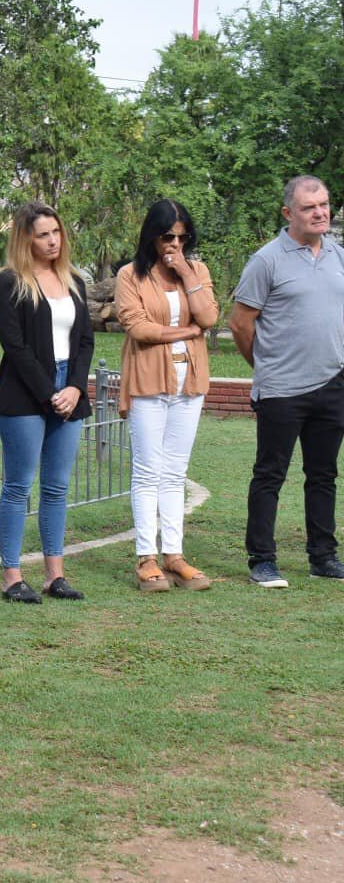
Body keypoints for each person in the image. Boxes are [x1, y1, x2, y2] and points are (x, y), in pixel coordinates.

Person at [230, 175, 344, 588]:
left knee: (323, 474)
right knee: (270, 475)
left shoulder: (337, 255)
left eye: (324, 204)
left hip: (332, 385)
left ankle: (322, 557)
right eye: (309, 207)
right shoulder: (267, 260)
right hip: (281, 389)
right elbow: (241, 324)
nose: (320, 212)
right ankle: (262, 559)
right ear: (287, 213)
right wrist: (266, 367)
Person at [0, 201, 94, 605]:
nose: (52, 241)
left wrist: (74, 389)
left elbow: (85, 341)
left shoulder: (74, 280)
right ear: (25, 238)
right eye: (42, 234)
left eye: (56, 232)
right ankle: (12, 576)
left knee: (57, 487)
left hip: (69, 390)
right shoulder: (9, 282)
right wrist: (49, 393)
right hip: (25, 394)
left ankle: (55, 575)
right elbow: (14, 347)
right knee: (18, 485)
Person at [117, 199, 218, 592]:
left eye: (182, 236)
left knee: (175, 471)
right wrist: (188, 333)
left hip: (188, 382)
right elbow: (137, 328)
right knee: (147, 471)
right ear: (151, 236)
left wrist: (184, 272)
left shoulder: (197, 270)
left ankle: (174, 556)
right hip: (147, 380)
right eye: (167, 237)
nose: (175, 243)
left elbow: (208, 317)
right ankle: (146, 558)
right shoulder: (131, 275)